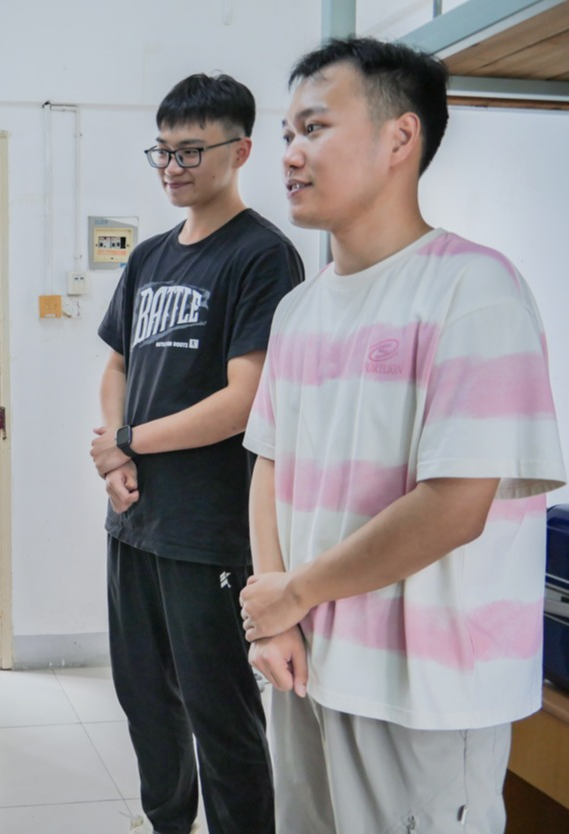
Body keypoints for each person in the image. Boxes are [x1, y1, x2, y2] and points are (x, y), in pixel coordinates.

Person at [240, 37, 566, 833]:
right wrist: (276, 613)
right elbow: (269, 465)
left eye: (314, 127)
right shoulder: (298, 310)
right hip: (310, 667)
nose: (290, 154)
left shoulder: (474, 289)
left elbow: (455, 506)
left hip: (430, 692)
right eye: (287, 133)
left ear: (399, 138)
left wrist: (295, 593)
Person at [90, 74, 303, 834]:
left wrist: (127, 442)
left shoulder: (262, 256)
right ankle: (168, 823)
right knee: (145, 701)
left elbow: (245, 401)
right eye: (163, 151)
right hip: (135, 523)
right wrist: (118, 458)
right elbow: (117, 365)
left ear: (240, 151)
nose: (172, 167)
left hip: (209, 530)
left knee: (220, 713)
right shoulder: (149, 257)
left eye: (190, 151)